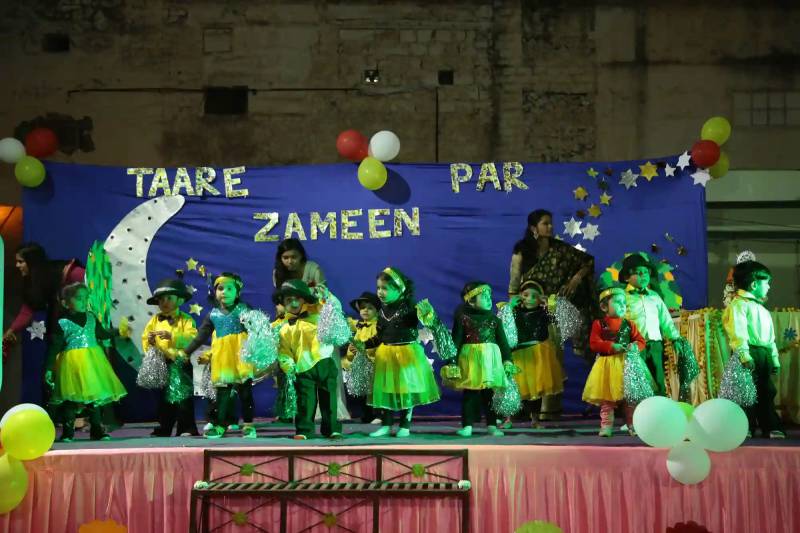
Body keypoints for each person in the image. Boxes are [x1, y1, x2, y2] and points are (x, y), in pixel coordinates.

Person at [509, 209, 596, 421]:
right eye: (545, 223)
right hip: (529, 312)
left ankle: (549, 410)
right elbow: (514, 286)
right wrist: (515, 311)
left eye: (551, 223)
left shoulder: (560, 249)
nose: (550, 227)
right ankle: (525, 408)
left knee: (553, 359)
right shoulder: (522, 252)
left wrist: (575, 279)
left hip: (553, 308)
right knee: (528, 359)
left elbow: (587, 262)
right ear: (533, 228)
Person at [365, 267, 448, 438]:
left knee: (406, 390)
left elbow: (429, 322)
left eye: (384, 288)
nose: (380, 292)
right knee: (386, 390)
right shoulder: (382, 309)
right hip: (386, 354)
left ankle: (405, 425)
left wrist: (428, 316)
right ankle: (386, 424)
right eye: (378, 288)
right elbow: (380, 335)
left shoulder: (410, 307)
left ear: (399, 289)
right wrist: (365, 344)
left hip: (406, 354)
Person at [182, 273, 260, 439]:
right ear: (215, 292)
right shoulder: (213, 315)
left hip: (241, 358)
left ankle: (248, 425)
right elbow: (201, 336)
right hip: (222, 359)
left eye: (230, 289)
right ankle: (219, 425)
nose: (224, 292)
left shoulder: (244, 310)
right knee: (222, 395)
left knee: (245, 393)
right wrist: (186, 352)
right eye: (220, 288)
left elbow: (256, 330)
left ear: (238, 293)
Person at [46, 283, 127, 441]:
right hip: (72, 364)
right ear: (66, 303)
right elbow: (55, 346)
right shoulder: (62, 322)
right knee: (70, 398)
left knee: (94, 398)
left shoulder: (91, 317)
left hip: (93, 362)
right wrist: (49, 368)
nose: (84, 302)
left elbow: (102, 334)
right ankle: (68, 433)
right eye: (79, 298)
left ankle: (97, 430)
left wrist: (118, 331)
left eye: (86, 298)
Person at [275, 280, 349, 439]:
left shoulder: (318, 311)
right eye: (288, 300)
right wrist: (288, 364)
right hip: (303, 367)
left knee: (329, 398)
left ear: (304, 299)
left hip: (325, 361)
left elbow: (335, 309)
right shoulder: (284, 328)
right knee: (305, 401)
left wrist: (327, 296)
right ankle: (304, 429)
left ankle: (332, 428)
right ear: (283, 303)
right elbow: (284, 350)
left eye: (297, 298)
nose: (294, 303)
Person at [722, 261, 785, 439]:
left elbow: (770, 338)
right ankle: (745, 426)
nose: (769, 286)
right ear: (754, 284)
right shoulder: (738, 305)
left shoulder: (762, 309)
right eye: (767, 283)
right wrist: (744, 355)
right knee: (745, 392)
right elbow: (738, 332)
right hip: (747, 353)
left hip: (763, 354)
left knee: (766, 391)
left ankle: (770, 426)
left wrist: (774, 359)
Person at [449, 282, 515, 437]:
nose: (489, 299)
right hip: (470, 362)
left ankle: (492, 425)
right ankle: (467, 426)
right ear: (471, 301)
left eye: (489, 296)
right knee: (470, 394)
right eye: (484, 297)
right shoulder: (463, 319)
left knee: (489, 394)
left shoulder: (494, 320)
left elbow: (503, 343)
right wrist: (452, 362)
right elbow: (455, 342)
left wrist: (507, 360)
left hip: (490, 363)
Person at [582, 286, 647, 437]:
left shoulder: (629, 324)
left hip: (627, 365)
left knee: (629, 399)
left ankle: (632, 425)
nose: (623, 305)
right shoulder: (599, 324)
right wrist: (611, 346)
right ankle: (606, 426)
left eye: (624, 302)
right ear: (604, 307)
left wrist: (634, 346)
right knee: (607, 400)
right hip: (607, 366)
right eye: (618, 302)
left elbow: (641, 341)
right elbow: (594, 343)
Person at [141, 278, 198, 437]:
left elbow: (192, 338)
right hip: (162, 362)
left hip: (179, 362)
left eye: (169, 298)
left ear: (180, 300)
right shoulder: (154, 320)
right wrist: (150, 342)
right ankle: (164, 427)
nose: (165, 302)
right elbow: (145, 337)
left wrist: (172, 336)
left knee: (183, 397)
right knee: (164, 398)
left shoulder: (186, 319)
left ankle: (186, 427)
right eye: (161, 299)